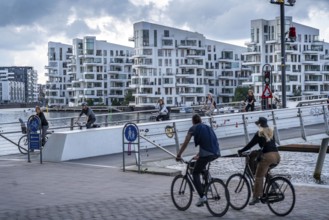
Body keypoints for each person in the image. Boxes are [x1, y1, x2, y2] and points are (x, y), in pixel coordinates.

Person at [176, 114, 220, 207]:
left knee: (195, 173)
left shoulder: (193, 128)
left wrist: (179, 154)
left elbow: (186, 142)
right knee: (201, 165)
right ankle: (206, 186)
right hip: (216, 152)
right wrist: (199, 154)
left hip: (206, 153)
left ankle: (202, 197)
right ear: (200, 120)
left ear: (193, 121)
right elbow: (207, 142)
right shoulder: (207, 127)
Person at [237, 117, 280, 205]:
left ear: (260, 124)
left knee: (258, 176)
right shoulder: (271, 131)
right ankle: (273, 184)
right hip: (277, 156)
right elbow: (269, 144)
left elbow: (251, 144)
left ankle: (256, 197)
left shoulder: (259, 133)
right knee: (264, 170)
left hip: (268, 156)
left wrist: (241, 151)